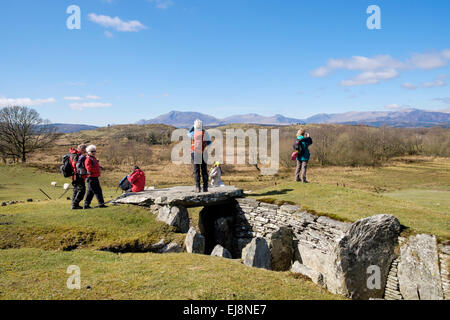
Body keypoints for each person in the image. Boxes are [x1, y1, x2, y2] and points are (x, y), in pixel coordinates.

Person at [188, 119, 212, 193]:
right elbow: (209, 143)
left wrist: (193, 127)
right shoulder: (205, 133)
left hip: (195, 153)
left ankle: (197, 187)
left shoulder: (193, 133)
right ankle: (205, 187)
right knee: (204, 170)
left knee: (196, 170)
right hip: (204, 153)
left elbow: (188, 133)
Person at [83, 145, 107, 209]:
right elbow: (89, 169)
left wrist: (98, 168)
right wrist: (97, 169)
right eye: (92, 151)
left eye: (94, 151)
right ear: (88, 152)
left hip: (93, 177)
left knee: (90, 192)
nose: (94, 152)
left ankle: (86, 205)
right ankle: (101, 204)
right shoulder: (88, 159)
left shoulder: (92, 158)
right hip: (91, 177)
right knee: (98, 191)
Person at [69, 144, 87, 210]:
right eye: (85, 150)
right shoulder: (76, 155)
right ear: (82, 150)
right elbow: (75, 165)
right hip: (77, 175)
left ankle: (74, 205)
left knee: (76, 190)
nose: (85, 152)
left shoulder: (74, 154)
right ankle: (75, 204)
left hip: (75, 175)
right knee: (82, 190)